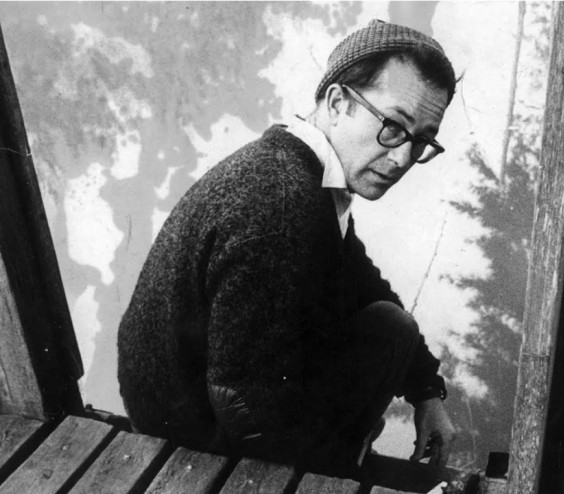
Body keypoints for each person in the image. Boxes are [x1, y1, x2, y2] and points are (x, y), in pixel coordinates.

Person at [117, 19, 457, 475]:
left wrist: (426, 391)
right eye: (394, 127)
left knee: (391, 326)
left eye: (421, 141)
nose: (402, 158)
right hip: (190, 439)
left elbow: (363, 285)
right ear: (337, 103)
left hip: (187, 395)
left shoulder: (304, 171)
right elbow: (243, 406)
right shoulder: (281, 207)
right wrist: (330, 467)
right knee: (388, 333)